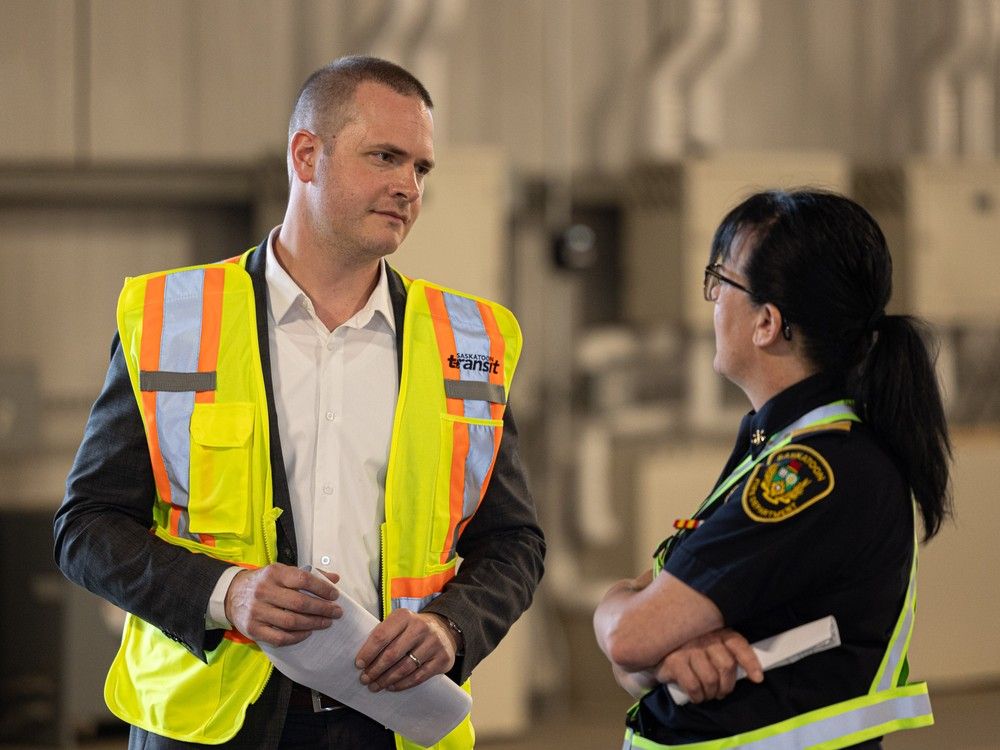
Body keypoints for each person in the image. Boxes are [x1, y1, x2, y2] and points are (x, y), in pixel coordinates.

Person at [54, 56, 544, 750]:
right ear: (307, 156)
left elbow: (514, 541)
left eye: (421, 169)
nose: (407, 186)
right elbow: (87, 528)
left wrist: (450, 626)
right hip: (211, 727)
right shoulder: (173, 321)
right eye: (385, 157)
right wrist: (228, 594)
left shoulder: (467, 340)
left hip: (392, 724)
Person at [594, 189, 951, 749]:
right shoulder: (782, 439)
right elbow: (638, 645)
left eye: (722, 281)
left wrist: (635, 628)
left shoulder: (815, 469)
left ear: (767, 322)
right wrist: (663, 651)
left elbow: (630, 636)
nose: (712, 301)